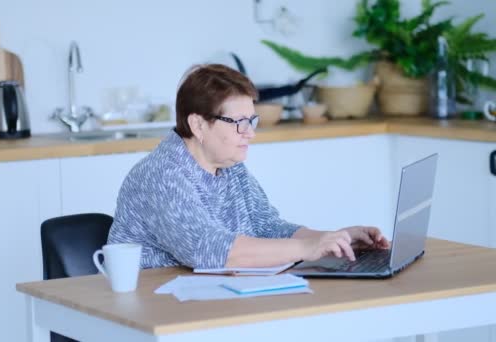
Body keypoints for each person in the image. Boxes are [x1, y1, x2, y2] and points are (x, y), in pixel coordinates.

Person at [107, 64, 389, 269]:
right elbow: (210, 249)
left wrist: (334, 240)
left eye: (252, 121)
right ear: (198, 125)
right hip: (150, 312)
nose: (250, 133)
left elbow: (268, 226)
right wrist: (308, 248)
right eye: (239, 123)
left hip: (208, 300)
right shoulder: (162, 175)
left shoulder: (230, 166)